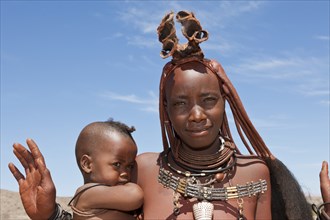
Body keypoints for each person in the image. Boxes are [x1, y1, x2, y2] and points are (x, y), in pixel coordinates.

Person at [8, 10, 326, 220]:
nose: (197, 114)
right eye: (180, 104)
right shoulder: (144, 168)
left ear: (225, 102)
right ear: (166, 112)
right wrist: (50, 216)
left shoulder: (256, 172)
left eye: (209, 100)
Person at [9, 120, 143, 220]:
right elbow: (135, 195)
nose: (126, 173)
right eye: (117, 164)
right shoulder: (87, 194)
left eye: (130, 166)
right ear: (87, 164)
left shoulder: (111, 198)